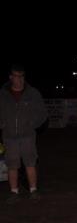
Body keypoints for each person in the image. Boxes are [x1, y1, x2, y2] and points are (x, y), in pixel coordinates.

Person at [0, 64, 47, 203]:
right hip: (9, 136)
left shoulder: (33, 93)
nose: (19, 79)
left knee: (30, 163)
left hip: (27, 135)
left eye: (21, 76)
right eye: (16, 76)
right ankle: (14, 192)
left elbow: (42, 113)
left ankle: (33, 190)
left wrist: (32, 124)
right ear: (10, 77)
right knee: (12, 164)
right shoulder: (2, 94)